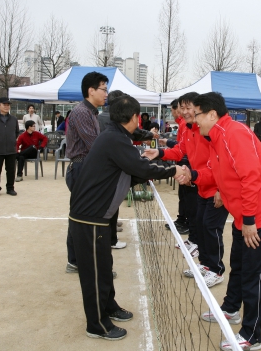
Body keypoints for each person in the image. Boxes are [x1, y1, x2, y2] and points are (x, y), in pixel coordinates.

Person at [69, 94, 187, 341]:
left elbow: (133, 172)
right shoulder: (114, 139)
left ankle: (109, 306)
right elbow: (140, 168)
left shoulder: (117, 136)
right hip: (89, 217)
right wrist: (174, 169)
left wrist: (153, 165)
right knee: (94, 275)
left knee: (104, 267)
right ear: (134, 117)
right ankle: (97, 325)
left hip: (98, 216)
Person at [185, 92, 261, 351]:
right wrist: (192, 174)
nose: (194, 121)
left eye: (196, 115)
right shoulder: (217, 138)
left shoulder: (233, 133)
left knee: (256, 276)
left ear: (211, 114)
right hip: (244, 217)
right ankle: (231, 309)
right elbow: (216, 173)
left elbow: (250, 177)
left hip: (260, 218)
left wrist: (250, 220)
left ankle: (253, 335)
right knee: (239, 266)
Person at [144, 92, 229, 288]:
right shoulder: (187, 127)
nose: (184, 111)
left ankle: (216, 270)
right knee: (199, 225)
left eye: (189, 107)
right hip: (201, 186)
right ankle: (206, 265)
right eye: (182, 107)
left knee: (210, 228)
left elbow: (220, 163)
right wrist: (160, 152)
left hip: (214, 187)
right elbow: (181, 150)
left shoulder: (209, 131)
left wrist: (219, 189)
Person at [98, 89, 158, 250]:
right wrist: (150, 135)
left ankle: (110, 230)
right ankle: (111, 238)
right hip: (112, 165)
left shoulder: (103, 118)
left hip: (107, 165)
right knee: (111, 198)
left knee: (110, 200)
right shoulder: (112, 122)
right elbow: (135, 133)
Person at [65, 71, 108, 274]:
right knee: (81, 217)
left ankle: (77, 260)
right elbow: (94, 145)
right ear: (91, 91)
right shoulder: (82, 112)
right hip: (81, 168)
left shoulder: (91, 112)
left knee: (82, 215)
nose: (106, 93)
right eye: (103, 89)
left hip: (87, 168)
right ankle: (76, 261)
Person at [158, 99, 194, 235]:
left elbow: (182, 149)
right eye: (181, 108)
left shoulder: (186, 124)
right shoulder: (183, 124)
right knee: (183, 195)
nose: (181, 111)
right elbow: (180, 146)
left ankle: (187, 223)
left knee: (188, 196)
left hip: (187, 165)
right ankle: (182, 220)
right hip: (183, 163)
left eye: (185, 108)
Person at [0, 97, 20, 197]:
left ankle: (10, 188)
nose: (6, 106)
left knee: (11, 170)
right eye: (4, 104)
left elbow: (17, 132)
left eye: (8, 105)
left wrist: (12, 140)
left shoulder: (14, 119)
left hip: (11, 149)